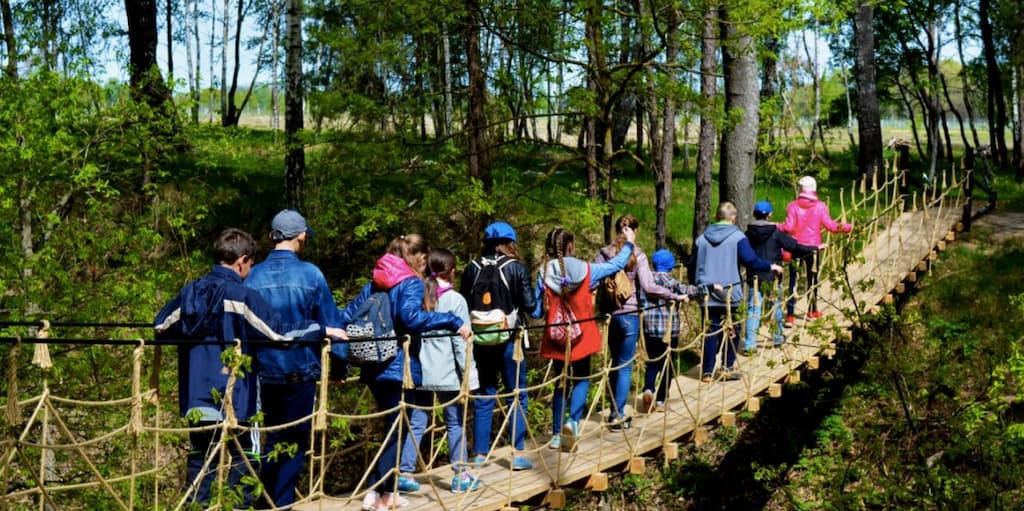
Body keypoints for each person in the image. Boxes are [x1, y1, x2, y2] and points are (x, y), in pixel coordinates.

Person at [153, 228, 345, 506]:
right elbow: (279, 335)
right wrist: (321, 329)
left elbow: (160, 326)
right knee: (247, 462)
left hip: (196, 398)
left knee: (201, 465)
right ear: (242, 260)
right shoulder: (242, 298)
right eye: (250, 265)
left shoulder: (190, 294)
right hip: (239, 400)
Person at [338, 234, 472, 511]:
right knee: (397, 432)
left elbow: (348, 314)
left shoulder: (375, 282)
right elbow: (410, 319)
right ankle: (376, 493)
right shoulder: (410, 282)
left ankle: (386, 493)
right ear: (420, 257)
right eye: (424, 259)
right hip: (399, 366)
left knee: (392, 429)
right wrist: (452, 320)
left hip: (373, 364)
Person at [243, 210, 344, 510]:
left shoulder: (253, 276)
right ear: (301, 236)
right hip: (301, 370)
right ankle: (281, 503)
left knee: (270, 440)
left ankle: (267, 502)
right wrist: (338, 365)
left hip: (263, 372)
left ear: (272, 236)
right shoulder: (312, 274)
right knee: (297, 441)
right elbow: (332, 324)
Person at [535, 225, 636, 451]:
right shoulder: (586, 269)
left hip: (556, 335)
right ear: (570, 246)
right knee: (581, 378)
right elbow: (616, 265)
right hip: (582, 334)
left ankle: (557, 434)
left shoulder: (543, 272)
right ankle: (573, 422)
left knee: (560, 383)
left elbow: (535, 309)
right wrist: (628, 242)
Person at [594, 215, 689, 429]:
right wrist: (674, 296)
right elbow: (649, 286)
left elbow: (594, 279)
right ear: (633, 231)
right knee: (625, 366)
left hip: (610, 317)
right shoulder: (638, 255)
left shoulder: (604, 253)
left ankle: (613, 409)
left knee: (613, 363)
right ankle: (617, 416)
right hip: (630, 316)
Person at [459, 221, 536, 471]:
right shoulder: (517, 268)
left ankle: (480, 454)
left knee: (484, 393)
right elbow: (531, 306)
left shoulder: (472, 268)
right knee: (517, 393)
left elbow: (464, 301)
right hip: (510, 339)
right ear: (510, 242)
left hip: (480, 339)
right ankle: (516, 454)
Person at [693, 202, 781, 383]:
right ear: (733, 218)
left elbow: (692, 265)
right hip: (730, 292)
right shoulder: (737, 237)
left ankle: (707, 372)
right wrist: (770, 265)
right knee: (733, 329)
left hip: (707, 292)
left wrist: (697, 286)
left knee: (710, 331)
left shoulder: (701, 239)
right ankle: (726, 367)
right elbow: (750, 261)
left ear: (716, 217)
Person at [416, 249, 481, 493]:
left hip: (421, 371)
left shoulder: (419, 295)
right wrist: (469, 373)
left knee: (417, 421)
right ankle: (460, 475)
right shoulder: (455, 300)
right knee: (455, 423)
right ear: (452, 271)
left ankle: (403, 472)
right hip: (448, 374)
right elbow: (461, 342)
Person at [637, 249, 708, 412]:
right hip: (669, 331)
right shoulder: (671, 282)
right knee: (667, 365)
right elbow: (688, 290)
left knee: (653, 362)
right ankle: (661, 400)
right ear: (670, 266)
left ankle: (648, 389)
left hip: (649, 329)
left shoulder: (645, 282)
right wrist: (706, 288)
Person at [743, 200, 819, 352]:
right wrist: (814, 248)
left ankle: (750, 345)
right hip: (773, 275)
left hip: (755, 277)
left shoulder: (747, 234)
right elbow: (794, 246)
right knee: (776, 305)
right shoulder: (776, 233)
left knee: (753, 309)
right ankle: (777, 337)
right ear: (770, 215)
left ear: (754, 214)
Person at [778, 176, 853, 326]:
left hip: (795, 247)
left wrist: (776, 226)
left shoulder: (792, 206)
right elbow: (831, 226)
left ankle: (790, 316)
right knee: (812, 279)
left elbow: (789, 227)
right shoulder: (820, 206)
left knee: (793, 280)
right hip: (813, 248)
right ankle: (812, 311)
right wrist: (847, 227)